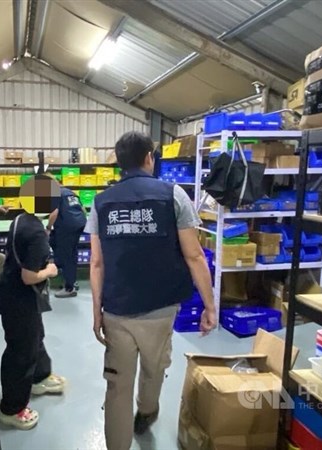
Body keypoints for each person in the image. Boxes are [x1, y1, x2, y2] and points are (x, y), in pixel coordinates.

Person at [87, 131, 217, 450]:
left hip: (116, 310)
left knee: (117, 385)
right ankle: (146, 412)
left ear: (119, 163)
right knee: (154, 368)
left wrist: (96, 313)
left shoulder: (101, 202)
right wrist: (210, 306)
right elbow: (194, 255)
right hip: (160, 309)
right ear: (149, 158)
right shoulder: (173, 195)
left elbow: (97, 263)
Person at [0, 176, 67, 430]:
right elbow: (29, 277)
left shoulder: (22, 219)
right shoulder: (36, 231)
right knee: (21, 352)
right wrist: (50, 270)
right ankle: (12, 408)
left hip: (13, 295)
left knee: (36, 337)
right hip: (21, 298)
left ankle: (39, 378)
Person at [47, 186, 87, 298]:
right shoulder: (70, 192)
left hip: (67, 227)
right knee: (68, 251)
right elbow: (82, 209)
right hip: (79, 224)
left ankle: (70, 288)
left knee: (66, 255)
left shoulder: (54, 193)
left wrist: (48, 227)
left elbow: (54, 212)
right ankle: (72, 280)